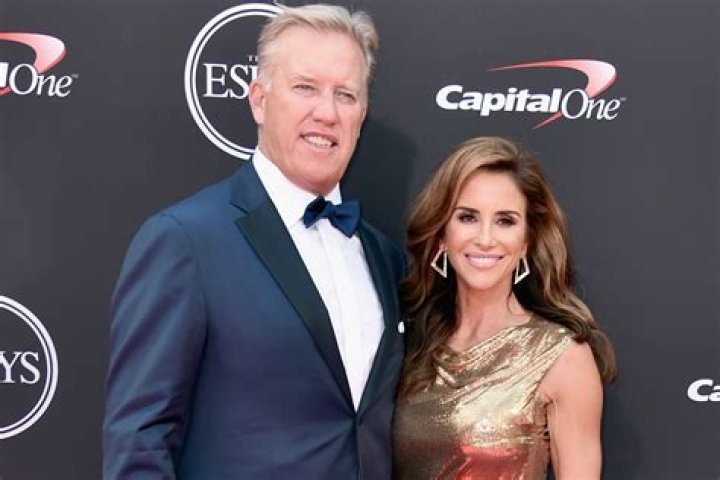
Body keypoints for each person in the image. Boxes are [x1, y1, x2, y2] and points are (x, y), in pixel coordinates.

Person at [103, 5, 405, 479]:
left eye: (345, 95)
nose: (326, 112)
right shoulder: (186, 240)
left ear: (361, 114)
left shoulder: (384, 258)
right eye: (305, 87)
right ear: (259, 100)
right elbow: (139, 440)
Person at [393, 137, 617, 479]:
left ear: (526, 241)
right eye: (467, 217)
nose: (485, 239)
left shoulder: (562, 357)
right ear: (441, 235)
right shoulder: (411, 344)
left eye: (505, 221)